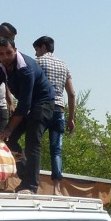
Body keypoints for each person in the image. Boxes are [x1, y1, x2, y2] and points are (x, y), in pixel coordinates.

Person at [0, 37, 56, 194]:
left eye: (8, 53)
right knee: (8, 140)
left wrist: (9, 128)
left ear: (15, 49)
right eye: (1, 54)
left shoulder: (26, 69)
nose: (5, 57)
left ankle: (31, 187)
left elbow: (24, 104)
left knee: (32, 142)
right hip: (28, 105)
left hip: (43, 103)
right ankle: (26, 176)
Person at [32, 36, 76, 196]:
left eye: (37, 50)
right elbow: (71, 94)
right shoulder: (64, 65)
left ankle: (33, 184)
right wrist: (71, 118)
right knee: (56, 149)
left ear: (43, 47)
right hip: (60, 110)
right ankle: (57, 187)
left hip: (42, 107)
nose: (36, 54)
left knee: (34, 145)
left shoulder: (38, 62)